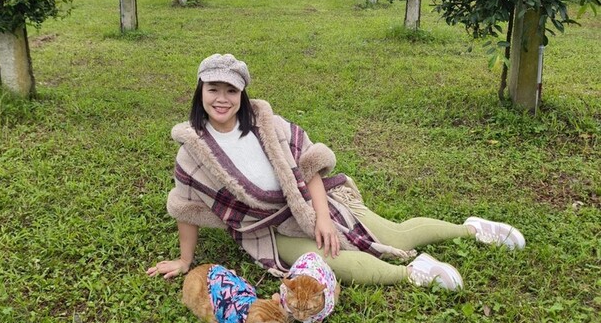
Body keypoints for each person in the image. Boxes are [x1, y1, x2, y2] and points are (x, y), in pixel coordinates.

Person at [147, 53, 525, 291]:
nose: (221, 99)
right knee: (333, 260)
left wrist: (322, 218)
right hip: (269, 231)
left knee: (393, 230)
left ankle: (472, 229)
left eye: (231, 91)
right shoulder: (193, 153)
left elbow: (310, 164)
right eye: (213, 89)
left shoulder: (268, 124)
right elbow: (185, 208)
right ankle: (412, 274)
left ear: (243, 95)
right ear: (200, 93)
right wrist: (184, 261)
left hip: (316, 205)